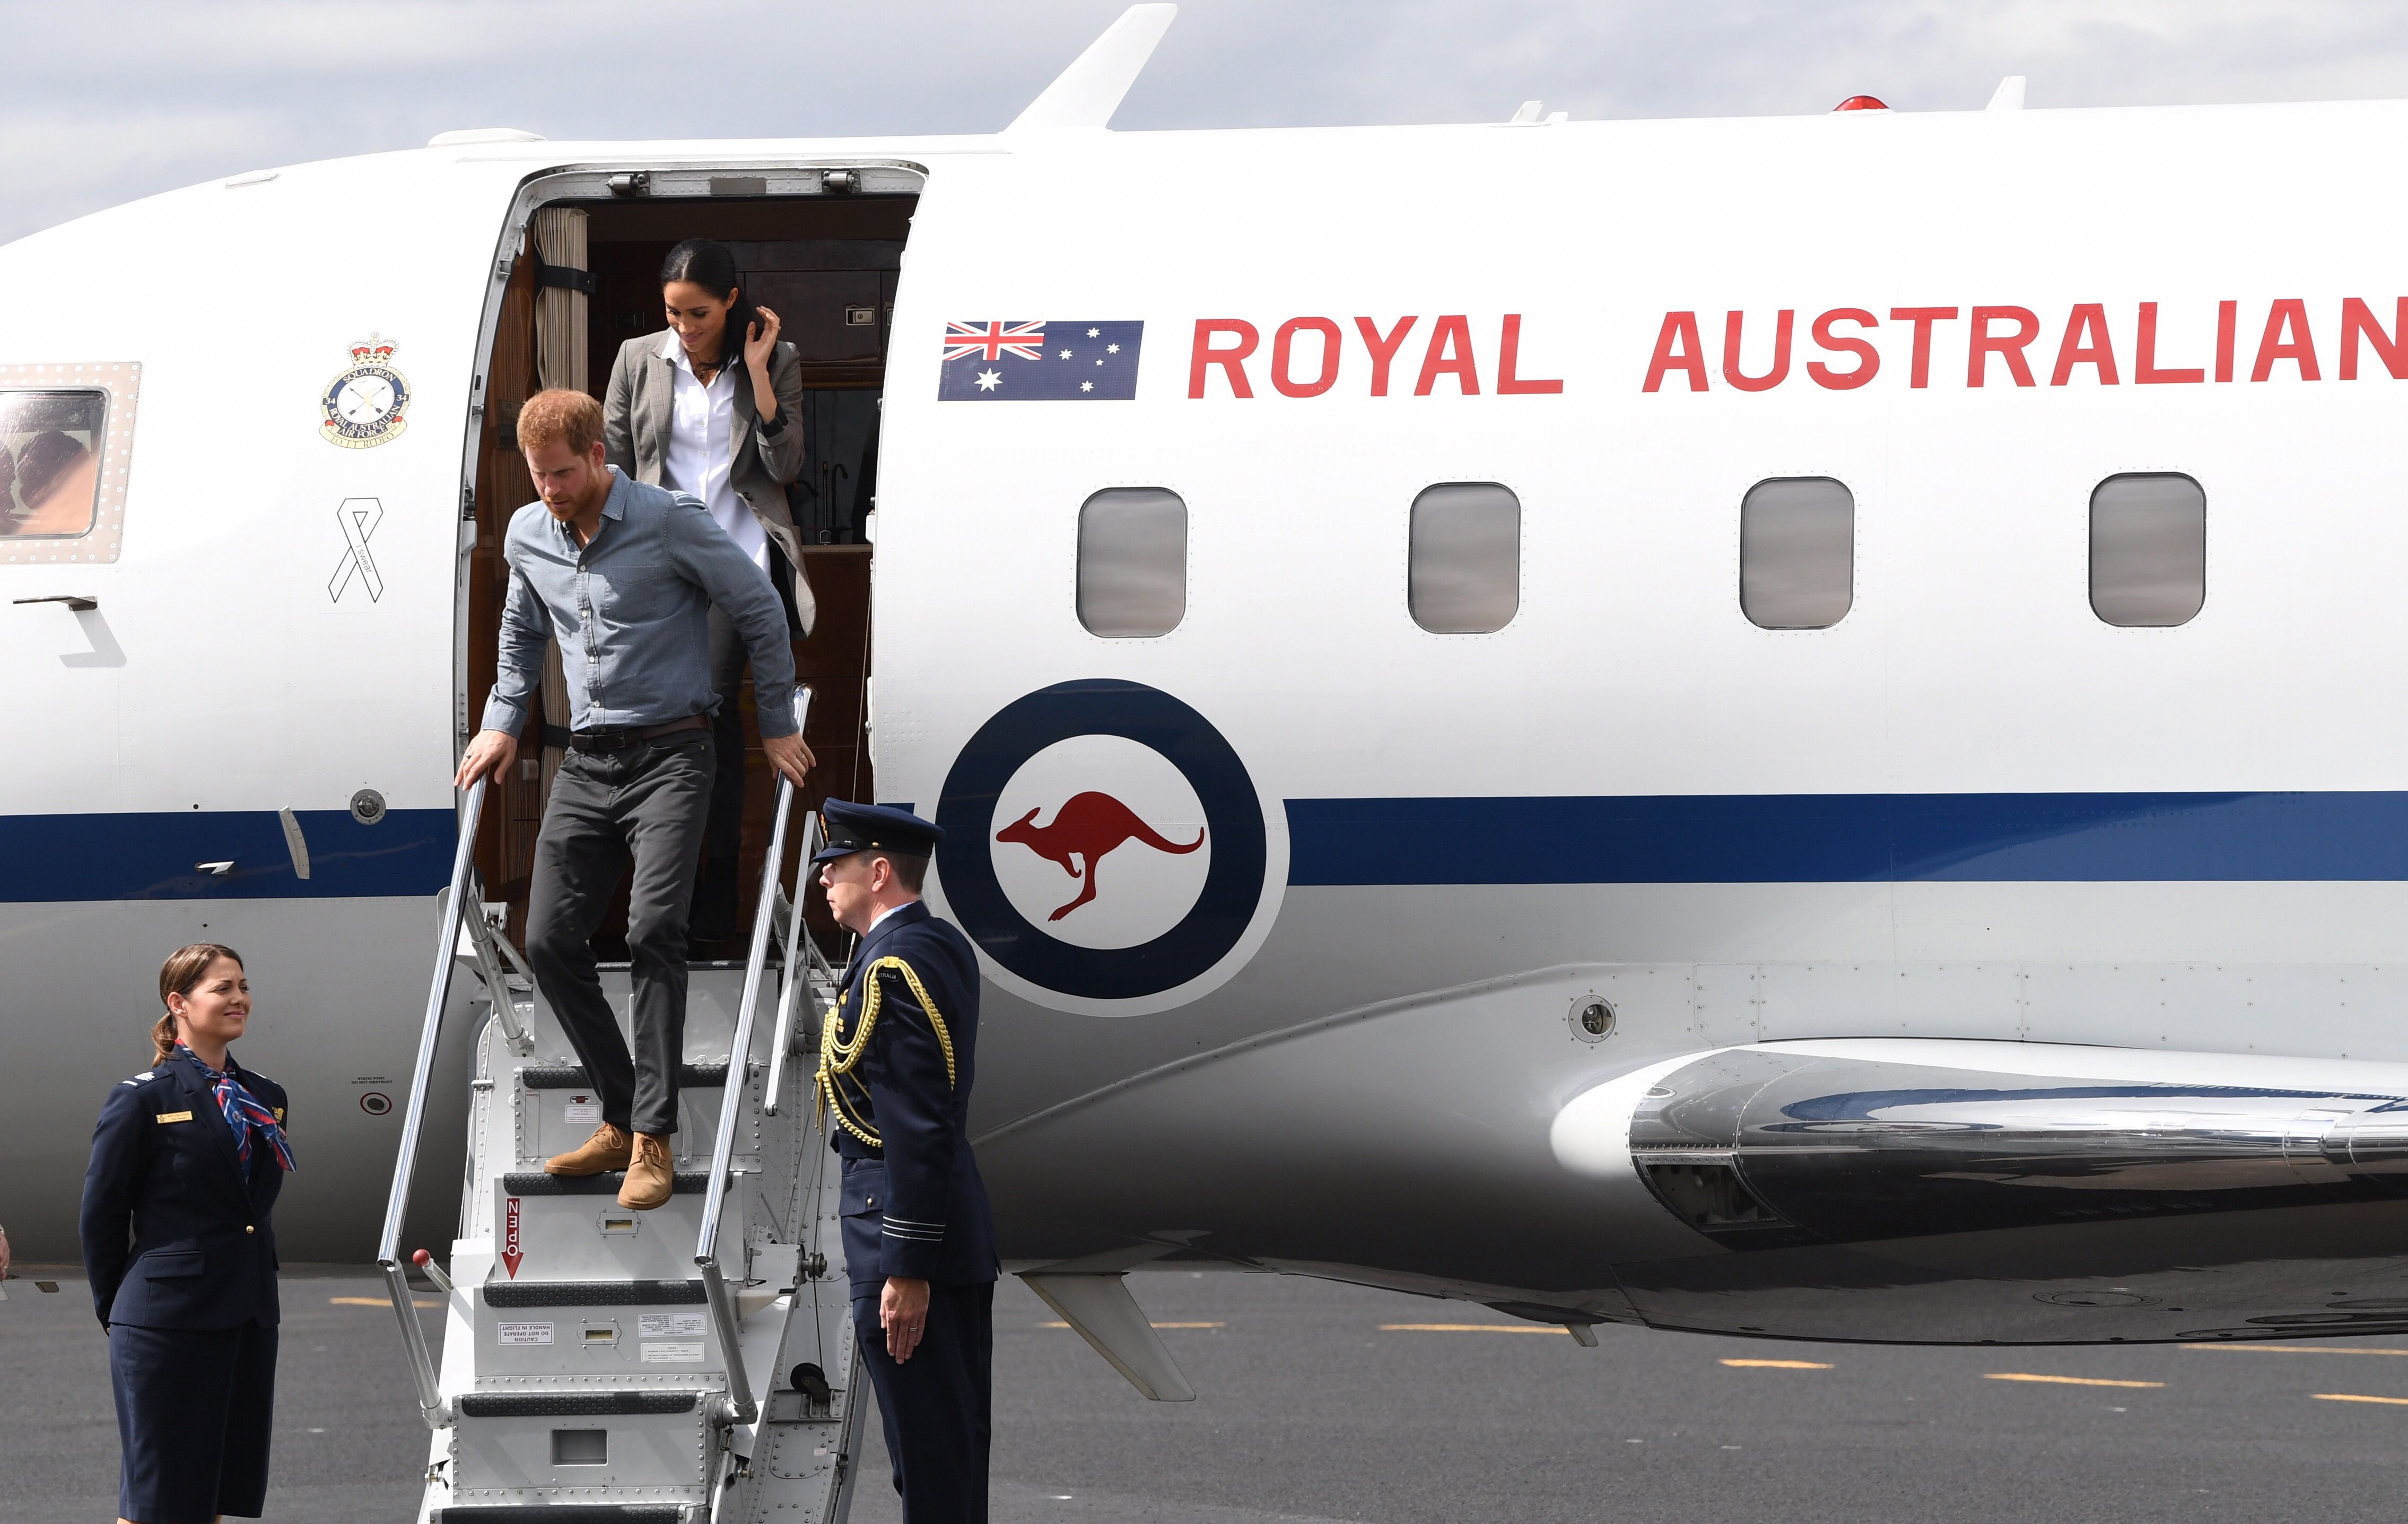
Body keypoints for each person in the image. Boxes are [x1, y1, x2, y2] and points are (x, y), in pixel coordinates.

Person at [458, 388, 812, 1211]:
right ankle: (619, 1112)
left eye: (561, 474)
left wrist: (777, 724)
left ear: (596, 456)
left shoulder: (668, 519)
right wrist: (504, 722)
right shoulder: (527, 533)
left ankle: (653, 1135)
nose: (549, 490)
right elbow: (521, 633)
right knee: (547, 939)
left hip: (674, 754)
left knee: (656, 928)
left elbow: (760, 608)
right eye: (538, 477)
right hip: (587, 762)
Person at [605, 237, 814, 949]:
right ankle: (666, 888)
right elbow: (616, 464)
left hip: (736, 562)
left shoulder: (774, 360)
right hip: (659, 567)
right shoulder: (639, 359)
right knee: (660, 717)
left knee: (711, 710)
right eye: (673, 313)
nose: (685, 328)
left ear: (731, 302)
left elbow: (784, 465)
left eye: (698, 313)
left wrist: (756, 374)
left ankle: (716, 901)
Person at [813, 802, 997, 1524]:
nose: (825, 877)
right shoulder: (931, 946)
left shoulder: (893, 970)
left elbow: (920, 1125)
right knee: (945, 1454)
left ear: (879, 872)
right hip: (928, 1235)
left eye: (839, 864)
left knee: (931, 1462)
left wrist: (908, 1266)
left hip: (906, 1238)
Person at [81, 944, 292, 1524]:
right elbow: (101, 1217)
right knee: (157, 1503)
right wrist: (119, 1308)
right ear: (178, 1002)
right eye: (222, 988)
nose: (239, 998)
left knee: (215, 1495)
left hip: (248, 1318)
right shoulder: (141, 1097)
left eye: (243, 985)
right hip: (165, 1321)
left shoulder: (266, 1097)